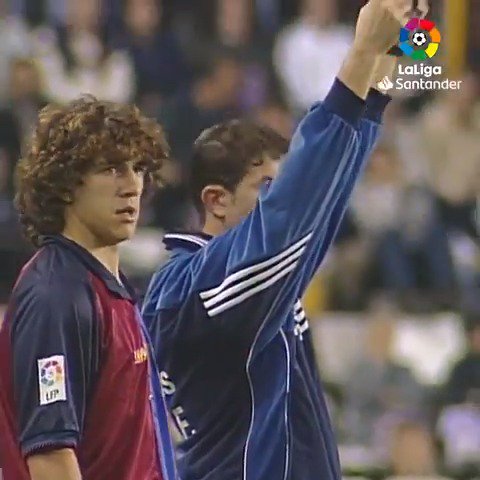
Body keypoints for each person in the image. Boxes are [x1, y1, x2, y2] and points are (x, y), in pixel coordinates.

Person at [142, 1, 426, 479]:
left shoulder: (255, 272)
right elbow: (296, 208)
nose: (280, 201)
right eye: (266, 188)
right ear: (216, 200)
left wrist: (382, 63)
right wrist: (357, 55)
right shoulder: (188, 289)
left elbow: (323, 197)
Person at [0, 96, 177, 480]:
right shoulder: (56, 297)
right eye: (111, 169)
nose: (132, 186)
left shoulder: (109, 287)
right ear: (65, 185)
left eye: (138, 168)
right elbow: (50, 456)